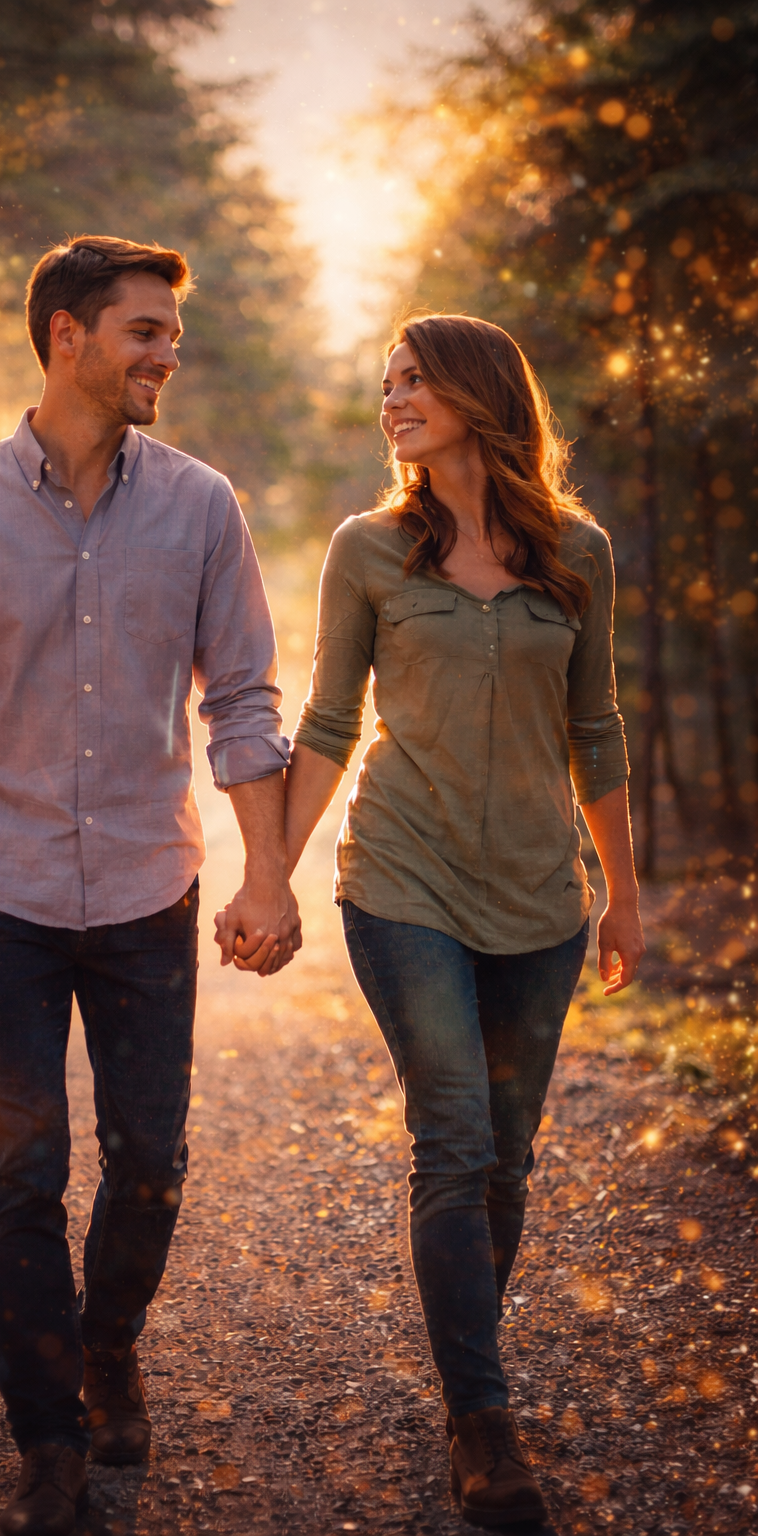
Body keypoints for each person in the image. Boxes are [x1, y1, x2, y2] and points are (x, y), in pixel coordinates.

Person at [0, 234, 300, 1536]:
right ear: (68, 336)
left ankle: (108, 1343)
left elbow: (244, 702)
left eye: (172, 333)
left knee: (152, 1160)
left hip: (148, 886)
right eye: (145, 332)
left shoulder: (202, 508)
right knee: (19, 1174)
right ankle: (47, 1440)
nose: (169, 353)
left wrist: (267, 873)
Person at [280, 313, 645, 1529]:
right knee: (453, 1138)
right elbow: (328, 722)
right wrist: (268, 873)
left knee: (505, 1156)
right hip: (404, 879)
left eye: (413, 383)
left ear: (479, 396)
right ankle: (483, 1425)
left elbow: (594, 727)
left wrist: (623, 895)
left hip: (541, 895)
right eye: (386, 384)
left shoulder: (577, 553)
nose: (392, 402)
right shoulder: (368, 550)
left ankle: (465, 1371)